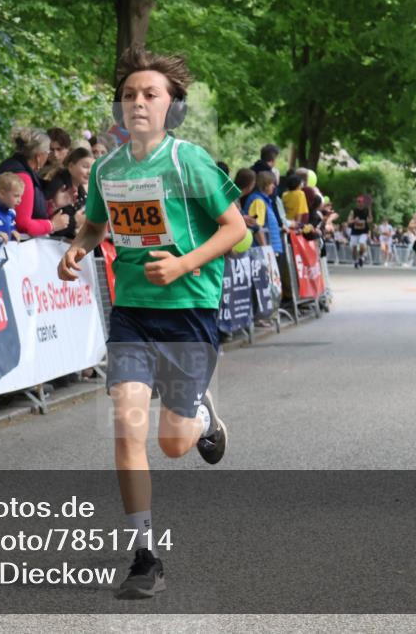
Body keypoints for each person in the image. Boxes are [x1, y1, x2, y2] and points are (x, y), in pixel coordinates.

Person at [57, 47, 246, 600]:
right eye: (130, 95)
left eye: (151, 94)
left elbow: (235, 228)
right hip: (133, 313)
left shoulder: (189, 162)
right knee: (126, 423)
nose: (138, 102)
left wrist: (184, 264)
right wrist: (77, 248)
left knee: (173, 443)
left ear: (172, 106)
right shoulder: (108, 169)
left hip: (188, 311)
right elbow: (96, 226)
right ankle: (144, 555)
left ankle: (202, 418)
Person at [0, 127, 69, 238]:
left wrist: (53, 205)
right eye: (47, 152)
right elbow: (23, 224)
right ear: (39, 156)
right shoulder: (23, 177)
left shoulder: (13, 165)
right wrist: (52, 225)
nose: (48, 156)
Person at [44, 147, 93, 240]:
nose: (90, 172)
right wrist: (75, 221)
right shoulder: (58, 186)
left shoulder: (81, 190)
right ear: (71, 166)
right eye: (85, 166)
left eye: (92, 168)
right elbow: (52, 225)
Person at [347, 195, 372, 268]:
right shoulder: (353, 211)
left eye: (361, 202)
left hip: (363, 232)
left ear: (364, 203)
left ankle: (361, 257)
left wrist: (369, 210)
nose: (360, 203)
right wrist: (354, 220)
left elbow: (370, 220)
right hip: (354, 232)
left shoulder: (367, 210)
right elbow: (348, 221)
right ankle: (356, 261)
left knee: (361, 244)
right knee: (354, 248)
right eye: (358, 201)